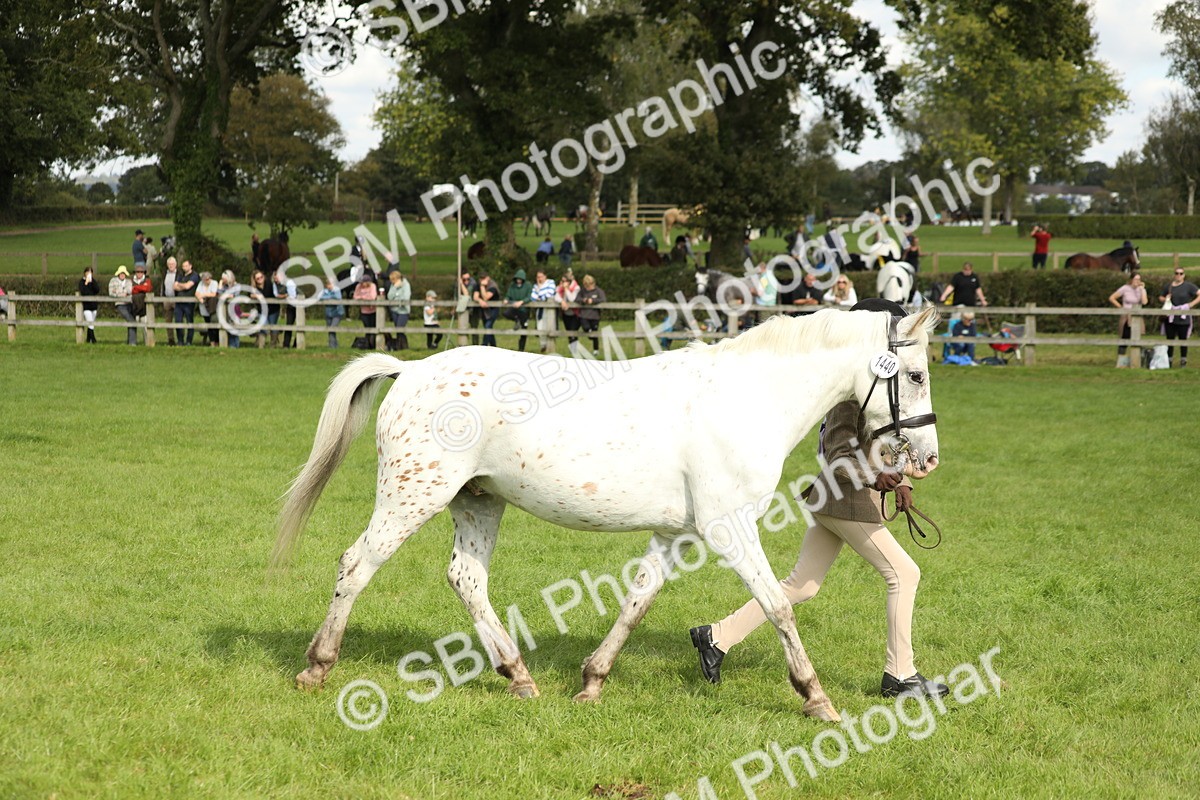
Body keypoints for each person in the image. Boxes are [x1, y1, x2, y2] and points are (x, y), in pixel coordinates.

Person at [689, 297, 948, 700]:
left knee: (801, 586)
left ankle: (715, 636)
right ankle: (900, 675)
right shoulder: (847, 395)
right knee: (904, 574)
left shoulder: (875, 389)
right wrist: (879, 478)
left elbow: (882, 445)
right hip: (846, 500)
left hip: (835, 502)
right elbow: (838, 452)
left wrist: (904, 478)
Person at [1158, 268, 1200, 367]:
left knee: (1183, 339)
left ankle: (1183, 360)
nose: (1178, 275)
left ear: (1184, 275)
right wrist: (1165, 299)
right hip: (1170, 316)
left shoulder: (1189, 286)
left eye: (1181, 273)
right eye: (1177, 273)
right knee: (1170, 339)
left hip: (1183, 316)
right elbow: (1160, 297)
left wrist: (1191, 305)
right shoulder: (1169, 286)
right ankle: (1169, 360)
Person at [1109, 273, 1148, 367]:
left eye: (1139, 279)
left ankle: (1136, 361)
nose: (1137, 281)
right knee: (1124, 337)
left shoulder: (1141, 290)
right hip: (1126, 316)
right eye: (1135, 279)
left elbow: (1144, 302)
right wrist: (1121, 307)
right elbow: (1112, 298)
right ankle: (1121, 361)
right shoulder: (1125, 288)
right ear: (1131, 280)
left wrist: (1142, 289)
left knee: (1136, 339)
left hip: (1137, 316)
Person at [502, 268, 532, 351]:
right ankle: (516, 320)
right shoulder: (512, 285)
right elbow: (508, 295)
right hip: (514, 308)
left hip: (524, 310)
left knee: (524, 329)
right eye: (517, 279)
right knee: (506, 313)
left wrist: (521, 302)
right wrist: (506, 299)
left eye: (520, 279)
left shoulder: (528, 285)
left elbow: (529, 297)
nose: (519, 280)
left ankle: (521, 349)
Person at [577, 274, 606, 355]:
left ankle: (596, 350)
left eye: (590, 285)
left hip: (595, 316)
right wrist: (584, 300)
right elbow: (577, 299)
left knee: (595, 332)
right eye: (586, 286)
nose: (588, 288)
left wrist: (593, 301)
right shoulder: (582, 291)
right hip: (584, 315)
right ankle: (589, 332)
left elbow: (603, 299)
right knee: (586, 328)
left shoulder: (598, 291)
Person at [531, 268, 557, 353]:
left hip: (548, 308)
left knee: (548, 325)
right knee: (540, 326)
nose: (539, 279)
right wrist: (539, 289)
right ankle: (543, 345)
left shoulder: (550, 283)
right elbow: (533, 297)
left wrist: (540, 295)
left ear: (545, 276)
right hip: (540, 308)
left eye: (541, 277)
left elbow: (549, 294)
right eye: (538, 277)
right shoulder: (535, 286)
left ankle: (549, 345)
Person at [109, 266, 136, 345]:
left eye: (124, 273)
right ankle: (132, 343)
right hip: (120, 304)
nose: (122, 275)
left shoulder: (128, 281)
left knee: (132, 320)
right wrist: (122, 294)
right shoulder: (113, 281)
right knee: (131, 320)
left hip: (129, 303)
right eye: (121, 273)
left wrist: (118, 291)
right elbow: (111, 292)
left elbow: (129, 290)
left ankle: (131, 341)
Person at [557, 267, 582, 351]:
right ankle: (573, 351)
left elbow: (571, 299)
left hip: (575, 314)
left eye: (565, 281)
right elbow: (556, 296)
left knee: (573, 332)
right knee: (569, 332)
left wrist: (566, 289)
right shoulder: (560, 287)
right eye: (562, 281)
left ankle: (575, 350)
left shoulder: (576, 288)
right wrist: (562, 302)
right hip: (566, 313)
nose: (563, 283)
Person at [174, 260, 198, 346]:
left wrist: (180, 285)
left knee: (189, 321)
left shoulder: (194, 275)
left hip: (189, 302)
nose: (184, 268)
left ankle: (189, 341)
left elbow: (188, 286)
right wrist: (183, 286)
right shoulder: (180, 275)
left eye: (186, 266)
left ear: (190, 266)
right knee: (178, 321)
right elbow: (174, 286)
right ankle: (180, 340)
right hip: (179, 301)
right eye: (183, 266)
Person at [386, 270, 411, 351]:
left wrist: (396, 297)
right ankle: (400, 346)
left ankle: (403, 346)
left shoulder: (406, 285)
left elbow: (406, 297)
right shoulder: (393, 285)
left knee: (400, 328)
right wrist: (395, 287)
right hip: (394, 310)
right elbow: (389, 296)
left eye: (393, 280)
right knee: (397, 329)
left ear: (398, 278)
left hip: (403, 311)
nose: (392, 282)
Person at [353, 272, 379, 349]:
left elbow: (372, 296)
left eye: (363, 282)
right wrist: (364, 297)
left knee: (373, 327)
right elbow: (355, 296)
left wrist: (362, 297)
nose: (362, 284)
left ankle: (373, 344)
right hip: (364, 311)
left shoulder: (372, 286)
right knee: (367, 327)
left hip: (372, 310)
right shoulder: (358, 286)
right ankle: (368, 344)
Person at [217, 270, 242, 347]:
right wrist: (220, 284)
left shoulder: (237, 286)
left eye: (224, 278)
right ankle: (231, 345)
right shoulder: (224, 286)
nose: (223, 280)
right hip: (226, 309)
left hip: (234, 308)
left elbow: (234, 296)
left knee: (234, 327)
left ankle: (235, 345)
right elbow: (219, 295)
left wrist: (225, 295)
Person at [475, 273, 501, 347]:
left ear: (488, 278)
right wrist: (480, 301)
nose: (482, 280)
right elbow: (475, 297)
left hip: (493, 309)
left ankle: (484, 345)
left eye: (484, 278)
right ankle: (493, 346)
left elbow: (486, 297)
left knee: (487, 326)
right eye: (481, 278)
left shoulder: (493, 286)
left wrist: (482, 286)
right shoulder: (478, 284)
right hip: (485, 310)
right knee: (488, 327)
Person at [195, 271, 220, 346]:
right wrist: (200, 298)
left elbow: (213, 294)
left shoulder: (214, 283)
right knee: (209, 325)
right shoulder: (201, 284)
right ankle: (212, 343)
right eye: (205, 279)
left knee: (215, 326)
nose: (207, 280)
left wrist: (203, 295)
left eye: (208, 279)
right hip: (204, 308)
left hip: (213, 308)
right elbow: (197, 293)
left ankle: (217, 342)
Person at [131, 264, 154, 344]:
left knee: (145, 327)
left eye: (141, 272)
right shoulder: (132, 280)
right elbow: (131, 290)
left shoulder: (147, 280)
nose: (139, 273)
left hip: (145, 308)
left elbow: (147, 288)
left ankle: (147, 342)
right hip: (134, 307)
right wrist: (141, 288)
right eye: (137, 272)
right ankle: (133, 342)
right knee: (133, 326)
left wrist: (137, 288)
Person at [321, 278, 345, 348]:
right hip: (328, 313)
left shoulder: (337, 290)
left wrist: (328, 297)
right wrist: (331, 297)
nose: (329, 286)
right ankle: (334, 346)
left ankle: (332, 346)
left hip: (337, 313)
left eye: (330, 284)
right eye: (328, 284)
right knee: (330, 330)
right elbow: (321, 297)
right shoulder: (325, 291)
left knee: (332, 328)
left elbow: (338, 297)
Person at [78, 267, 100, 344]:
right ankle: (93, 339)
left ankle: (88, 339)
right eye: (88, 272)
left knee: (91, 323)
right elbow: (83, 291)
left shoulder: (93, 281)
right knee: (90, 321)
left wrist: (92, 281)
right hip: (86, 305)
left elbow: (97, 290)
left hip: (94, 305)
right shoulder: (82, 282)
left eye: (90, 272)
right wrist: (86, 283)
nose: (89, 274)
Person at [458, 270, 480, 345]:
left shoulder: (473, 283)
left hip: (473, 310)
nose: (467, 281)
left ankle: (475, 345)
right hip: (464, 309)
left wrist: (461, 284)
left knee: (474, 328)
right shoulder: (457, 285)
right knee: (463, 328)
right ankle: (464, 345)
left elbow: (466, 294)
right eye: (464, 279)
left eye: (468, 279)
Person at [162, 257, 177, 345]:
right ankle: (171, 340)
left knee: (178, 320)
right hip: (167, 299)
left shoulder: (179, 274)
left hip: (176, 299)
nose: (171, 266)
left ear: (175, 265)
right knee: (168, 320)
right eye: (169, 264)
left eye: (172, 264)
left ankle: (181, 340)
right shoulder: (165, 274)